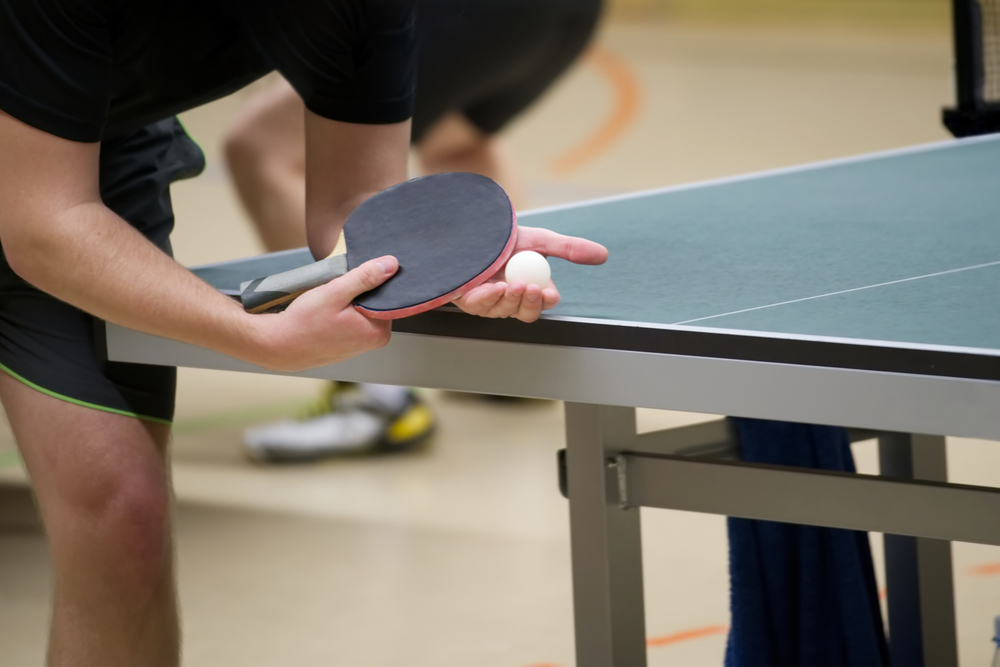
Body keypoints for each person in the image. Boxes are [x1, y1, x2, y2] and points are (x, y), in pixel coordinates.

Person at [0, 1, 608, 663]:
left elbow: (354, 212)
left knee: (126, 520)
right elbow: (42, 225)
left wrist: (451, 261)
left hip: (89, 157)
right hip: (47, 189)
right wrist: (250, 333)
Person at [225, 0, 604, 462]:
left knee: (262, 147)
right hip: (561, 15)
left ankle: (376, 398)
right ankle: (504, 363)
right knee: (456, 141)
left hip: (453, 11)